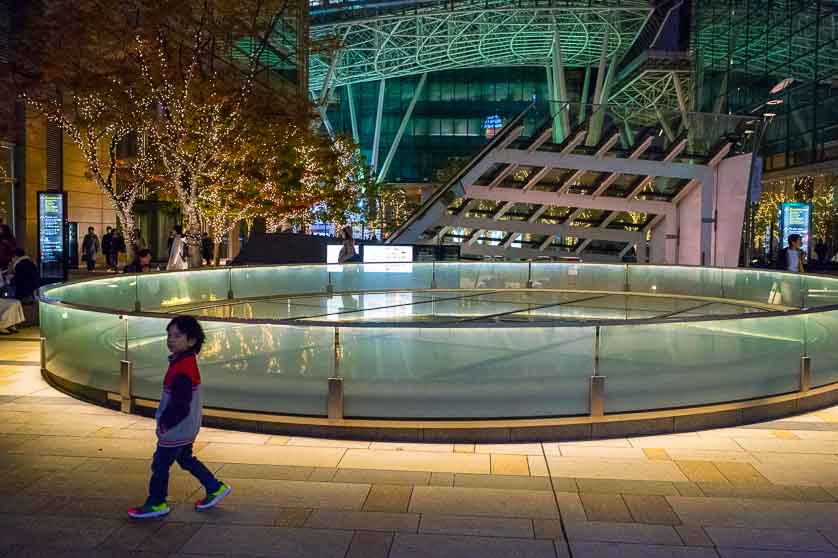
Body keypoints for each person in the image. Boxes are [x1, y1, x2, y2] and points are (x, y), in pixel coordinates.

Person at [128, 316, 231, 519]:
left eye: (177, 336)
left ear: (191, 341)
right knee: (185, 458)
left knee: (160, 464)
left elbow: (181, 405)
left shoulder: (182, 369)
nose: (171, 339)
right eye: (169, 335)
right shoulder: (185, 362)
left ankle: (157, 502)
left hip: (177, 428)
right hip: (187, 427)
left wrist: (166, 424)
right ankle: (214, 486)